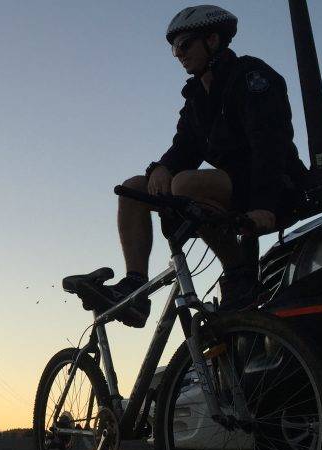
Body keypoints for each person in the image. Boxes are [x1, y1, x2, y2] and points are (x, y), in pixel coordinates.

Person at [104, 5, 308, 327]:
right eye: (174, 49)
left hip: (272, 186)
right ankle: (136, 289)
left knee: (184, 185)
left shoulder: (251, 76)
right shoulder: (197, 96)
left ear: (213, 40)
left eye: (184, 45)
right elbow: (184, 147)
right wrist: (160, 168)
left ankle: (239, 273)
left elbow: (270, 146)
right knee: (133, 188)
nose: (178, 55)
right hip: (228, 187)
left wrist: (264, 205)